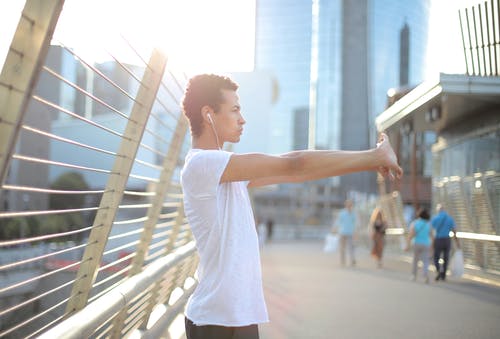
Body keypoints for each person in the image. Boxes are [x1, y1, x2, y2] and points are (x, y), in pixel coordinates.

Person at [180, 73, 403, 339]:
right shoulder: (202, 164)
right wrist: (373, 155)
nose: (243, 118)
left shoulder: (225, 170)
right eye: (235, 109)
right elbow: (294, 163)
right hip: (215, 321)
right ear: (208, 114)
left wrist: (368, 162)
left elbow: (298, 173)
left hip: (238, 316)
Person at [431, 203, 460, 281]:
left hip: (438, 239)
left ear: (438, 210)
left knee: (436, 256)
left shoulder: (435, 218)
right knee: (446, 257)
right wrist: (457, 241)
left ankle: (438, 270)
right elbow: (454, 231)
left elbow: (431, 230)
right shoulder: (450, 219)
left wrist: (431, 241)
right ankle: (443, 274)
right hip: (447, 240)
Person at [406, 207, 433, 283]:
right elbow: (432, 236)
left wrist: (407, 245)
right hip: (426, 244)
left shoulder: (415, 223)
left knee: (415, 260)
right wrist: (432, 246)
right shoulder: (428, 224)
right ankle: (425, 275)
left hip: (416, 243)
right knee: (425, 261)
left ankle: (413, 275)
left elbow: (410, 235)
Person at [335, 199, 357, 267]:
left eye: (350, 204)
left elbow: (356, 223)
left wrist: (355, 232)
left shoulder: (353, 213)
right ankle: (342, 260)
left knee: (351, 247)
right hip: (342, 232)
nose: (349, 205)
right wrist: (335, 229)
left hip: (350, 232)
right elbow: (338, 221)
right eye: (348, 204)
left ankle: (352, 260)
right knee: (342, 248)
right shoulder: (342, 213)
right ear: (346, 205)